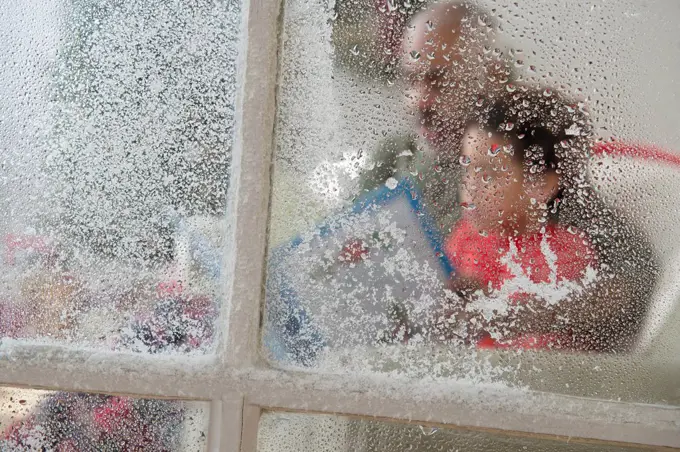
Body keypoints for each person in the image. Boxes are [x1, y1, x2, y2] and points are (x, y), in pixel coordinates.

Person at [394, 2, 659, 352]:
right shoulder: (395, 156)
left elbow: (636, 276)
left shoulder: (525, 150)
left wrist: (521, 311)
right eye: (411, 80)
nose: (419, 102)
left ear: (492, 75)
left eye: (439, 81)